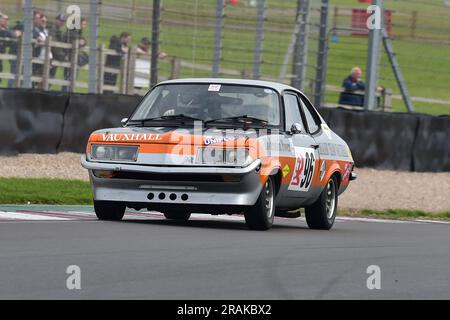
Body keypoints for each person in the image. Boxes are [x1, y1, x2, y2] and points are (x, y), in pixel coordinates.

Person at [0, 13, 21, 85]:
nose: (7, 22)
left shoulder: (5, 29)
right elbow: (11, 34)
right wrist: (15, 33)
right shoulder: (2, 30)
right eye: (6, 20)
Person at [49, 14, 67, 81]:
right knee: (49, 76)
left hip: (53, 56)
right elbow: (53, 44)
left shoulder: (58, 31)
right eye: (61, 21)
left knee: (50, 76)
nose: (62, 23)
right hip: (51, 56)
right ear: (56, 20)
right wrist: (61, 55)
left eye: (63, 21)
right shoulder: (52, 29)